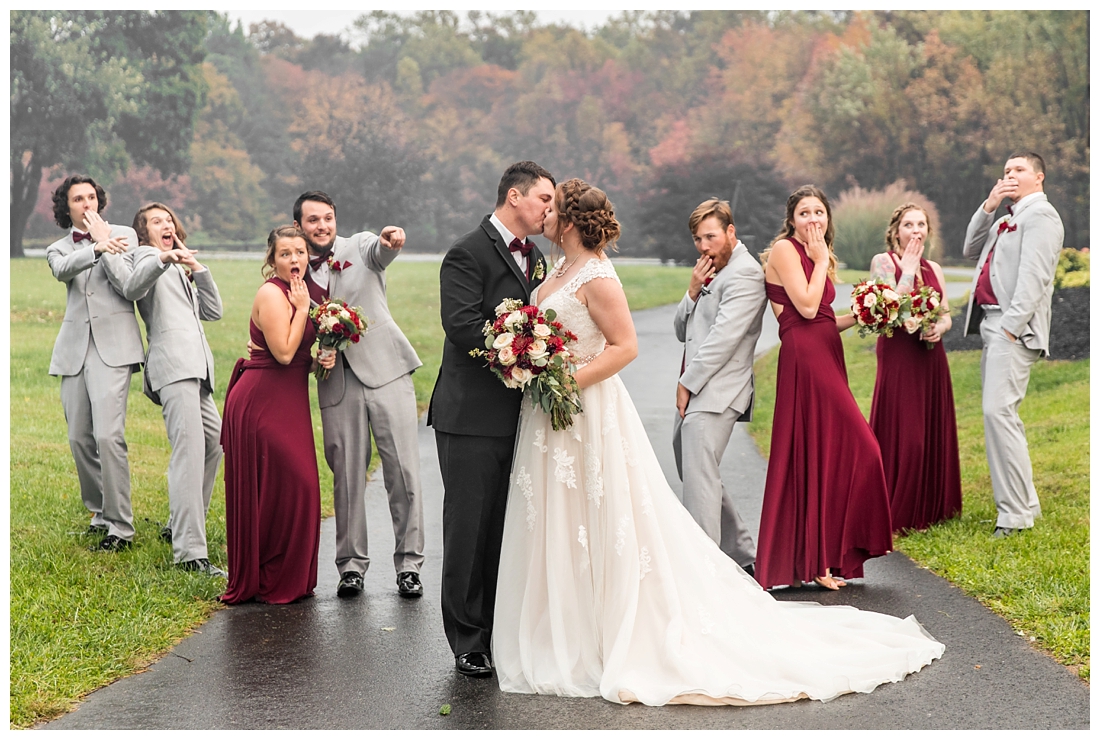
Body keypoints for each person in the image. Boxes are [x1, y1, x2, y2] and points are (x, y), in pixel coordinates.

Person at [493, 178, 944, 706]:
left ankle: (709, 565)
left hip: (695, 392)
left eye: (552, 207)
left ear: (568, 219)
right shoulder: (560, 269)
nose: (543, 212)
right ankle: (723, 558)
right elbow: (686, 327)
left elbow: (706, 339)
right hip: (558, 413)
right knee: (672, 477)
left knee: (688, 477)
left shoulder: (735, 270)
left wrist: (677, 383)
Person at [428, 161, 554, 677]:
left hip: (518, 415)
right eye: (544, 198)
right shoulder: (466, 251)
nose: (550, 208)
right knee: (468, 529)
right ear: (515, 196)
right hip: (470, 414)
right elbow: (461, 325)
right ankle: (467, 639)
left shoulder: (538, 258)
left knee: (505, 528)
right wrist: (522, 346)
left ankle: (499, 629)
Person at [755, 185, 893, 591]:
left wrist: (864, 312)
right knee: (860, 447)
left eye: (819, 212)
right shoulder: (786, 250)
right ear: (792, 219)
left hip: (826, 354)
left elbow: (824, 319)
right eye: (804, 213)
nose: (813, 219)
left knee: (830, 452)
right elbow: (807, 308)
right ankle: (816, 559)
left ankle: (825, 556)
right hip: (805, 361)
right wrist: (818, 261)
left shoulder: (819, 257)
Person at [291, 191, 425, 599]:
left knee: (403, 473)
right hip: (335, 381)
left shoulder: (360, 246)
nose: (322, 226)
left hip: (386, 372)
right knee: (346, 476)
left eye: (328, 218)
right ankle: (350, 566)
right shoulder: (295, 271)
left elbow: (379, 253)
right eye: (313, 220)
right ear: (299, 226)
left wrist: (389, 242)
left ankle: (410, 566)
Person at [220, 226, 335, 604]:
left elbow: (302, 351)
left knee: (296, 489)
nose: (294, 260)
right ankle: (267, 574)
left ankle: (287, 575)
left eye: (300, 252)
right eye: (285, 254)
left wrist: (324, 355)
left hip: (290, 400)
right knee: (290, 485)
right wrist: (303, 310)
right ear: (272, 260)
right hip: (262, 401)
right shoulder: (272, 294)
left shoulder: (302, 292)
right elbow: (284, 353)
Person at [961, 152, 1065, 537]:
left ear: (1039, 176)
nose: (1011, 175)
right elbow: (970, 250)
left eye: (1019, 170)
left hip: (1010, 329)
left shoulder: (1041, 216)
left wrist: (1010, 327)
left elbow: (1034, 278)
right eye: (1006, 171)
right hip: (991, 323)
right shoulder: (1006, 216)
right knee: (1003, 417)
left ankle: (1015, 516)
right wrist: (988, 206)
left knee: (997, 414)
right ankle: (1027, 505)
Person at [122, 202, 226, 576]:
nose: (165, 224)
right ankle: (190, 554)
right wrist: (164, 258)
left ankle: (178, 525)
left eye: (168, 220)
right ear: (143, 232)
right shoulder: (145, 257)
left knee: (214, 444)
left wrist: (197, 269)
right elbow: (133, 289)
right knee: (188, 453)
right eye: (155, 221)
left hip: (198, 370)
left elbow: (213, 312)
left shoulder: (179, 267)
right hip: (172, 367)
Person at [45, 175, 144, 552]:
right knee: (78, 437)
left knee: (108, 435)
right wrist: (97, 248)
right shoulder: (57, 249)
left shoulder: (126, 235)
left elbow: (129, 285)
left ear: (99, 202)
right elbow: (63, 270)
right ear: (66, 207)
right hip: (74, 350)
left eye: (91, 197)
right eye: (77, 199)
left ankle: (120, 528)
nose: (86, 204)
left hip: (114, 348)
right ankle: (100, 510)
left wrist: (106, 244)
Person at [672, 198, 766, 573]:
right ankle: (742, 554)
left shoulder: (745, 273)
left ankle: (705, 572)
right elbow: (681, 330)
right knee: (695, 469)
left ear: (731, 232)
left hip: (718, 390)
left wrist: (686, 383)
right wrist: (692, 291)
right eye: (697, 239)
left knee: (699, 482)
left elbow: (723, 340)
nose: (703, 246)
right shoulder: (709, 271)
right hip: (698, 388)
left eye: (710, 236)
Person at [868, 204, 962, 532]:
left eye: (921, 224)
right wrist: (906, 271)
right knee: (909, 436)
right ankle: (899, 512)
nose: (915, 230)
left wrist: (941, 328)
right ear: (896, 231)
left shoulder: (934, 267)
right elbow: (884, 311)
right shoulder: (883, 262)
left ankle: (933, 508)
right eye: (908, 224)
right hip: (898, 355)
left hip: (930, 356)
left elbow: (946, 313)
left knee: (930, 429)